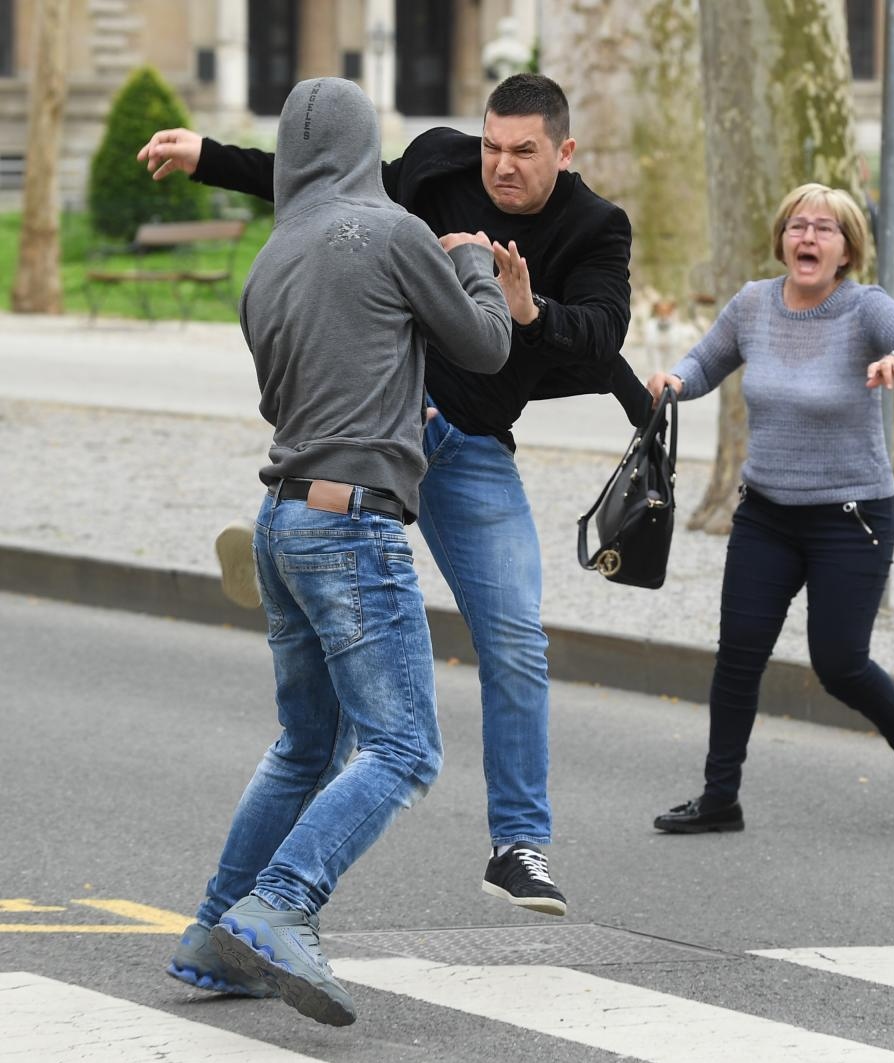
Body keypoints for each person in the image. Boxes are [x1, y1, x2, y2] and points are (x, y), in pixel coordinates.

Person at [139, 74, 651, 916]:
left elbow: (600, 339)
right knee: (341, 598)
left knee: (518, 638)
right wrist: (209, 159)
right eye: (492, 145)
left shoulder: (596, 228)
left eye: (523, 152)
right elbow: (327, 176)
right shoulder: (438, 166)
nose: (500, 167)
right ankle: (295, 535)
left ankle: (518, 845)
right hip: (388, 421)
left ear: (564, 152)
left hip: (473, 444)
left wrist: (533, 314)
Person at [164, 77, 511, 1025]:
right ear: (364, 148)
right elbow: (483, 348)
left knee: (305, 746)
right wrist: (475, 262)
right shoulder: (390, 230)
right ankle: (280, 906)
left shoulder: (270, 259)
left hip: (281, 516)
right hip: (353, 522)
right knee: (401, 747)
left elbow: (291, 401)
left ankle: (210, 933)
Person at [645, 182, 894, 834]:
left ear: (847, 250)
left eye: (825, 229)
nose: (808, 238)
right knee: (739, 654)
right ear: (782, 238)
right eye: (797, 226)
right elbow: (706, 361)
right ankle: (719, 797)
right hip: (766, 514)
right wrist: (675, 381)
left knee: (839, 663)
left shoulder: (862, 309)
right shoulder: (753, 304)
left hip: (852, 516)